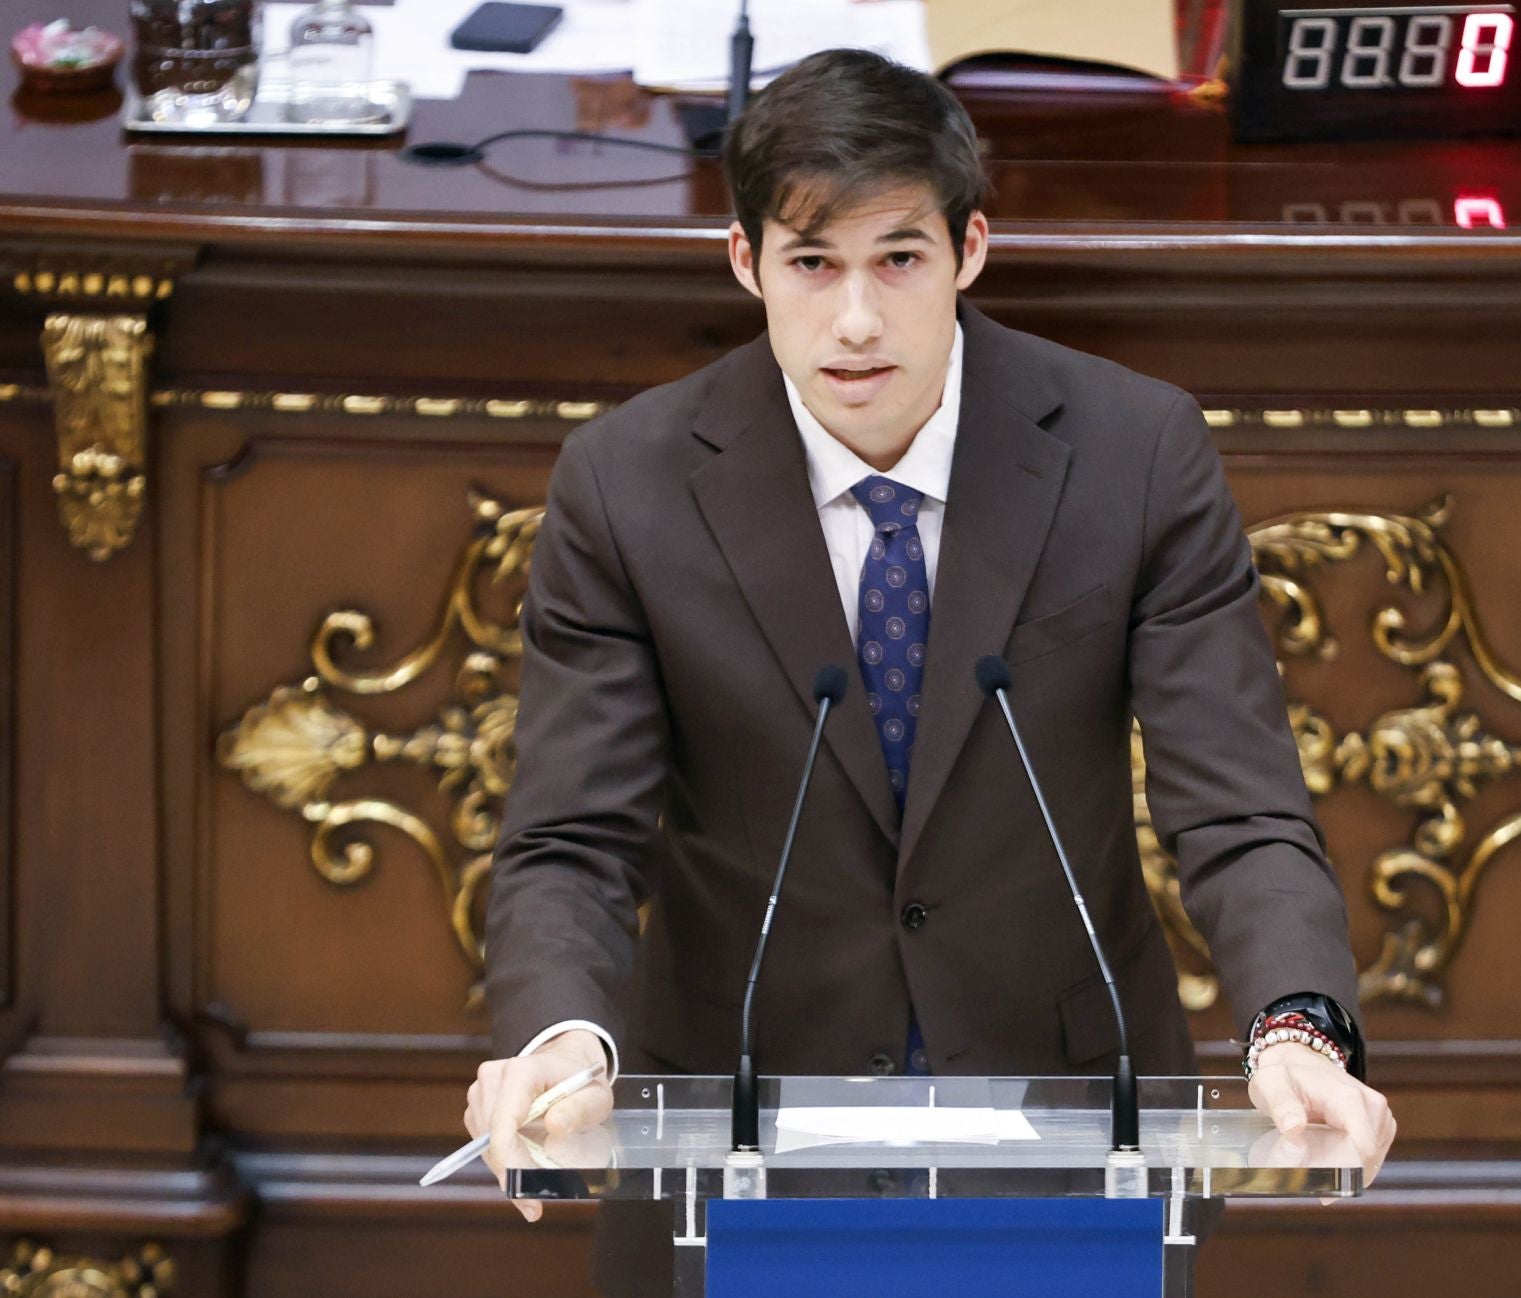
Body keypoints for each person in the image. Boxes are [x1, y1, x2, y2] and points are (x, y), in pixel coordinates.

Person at [462, 46, 1396, 1290]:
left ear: (970, 250)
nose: (856, 320)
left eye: (898, 259)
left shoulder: (1134, 454)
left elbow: (1237, 805)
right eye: (812, 263)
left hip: (1066, 1135)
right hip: (740, 1142)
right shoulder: (627, 487)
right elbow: (572, 840)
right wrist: (560, 1034)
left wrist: (1295, 1023)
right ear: (744, 262)